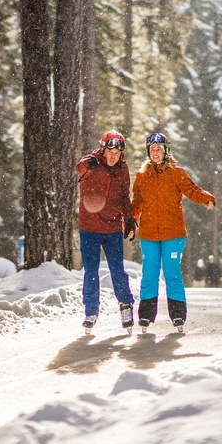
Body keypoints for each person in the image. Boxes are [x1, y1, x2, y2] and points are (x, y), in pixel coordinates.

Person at [130, 132, 216, 333]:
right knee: (149, 274)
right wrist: (131, 221)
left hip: (174, 234)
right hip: (149, 234)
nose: (156, 152)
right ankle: (145, 316)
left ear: (166, 151)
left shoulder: (177, 173)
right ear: (148, 152)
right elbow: (137, 202)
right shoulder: (142, 176)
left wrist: (207, 199)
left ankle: (177, 315)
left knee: (172, 273)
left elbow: (191, 189)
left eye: (159, 149)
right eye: (152, 149)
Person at [76, 131, 136, 333]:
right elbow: (79, 168)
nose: (113, 156)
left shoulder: (123, 169)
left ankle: (126, 306)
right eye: (110, 151)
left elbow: (125, 196)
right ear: (103, 149)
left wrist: (129, 219)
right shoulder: (91, 162)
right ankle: (91, 311)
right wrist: (88, 165)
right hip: (89, 228)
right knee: (91, 272)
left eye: (117, 153)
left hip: (112, 228)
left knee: (117, 270)